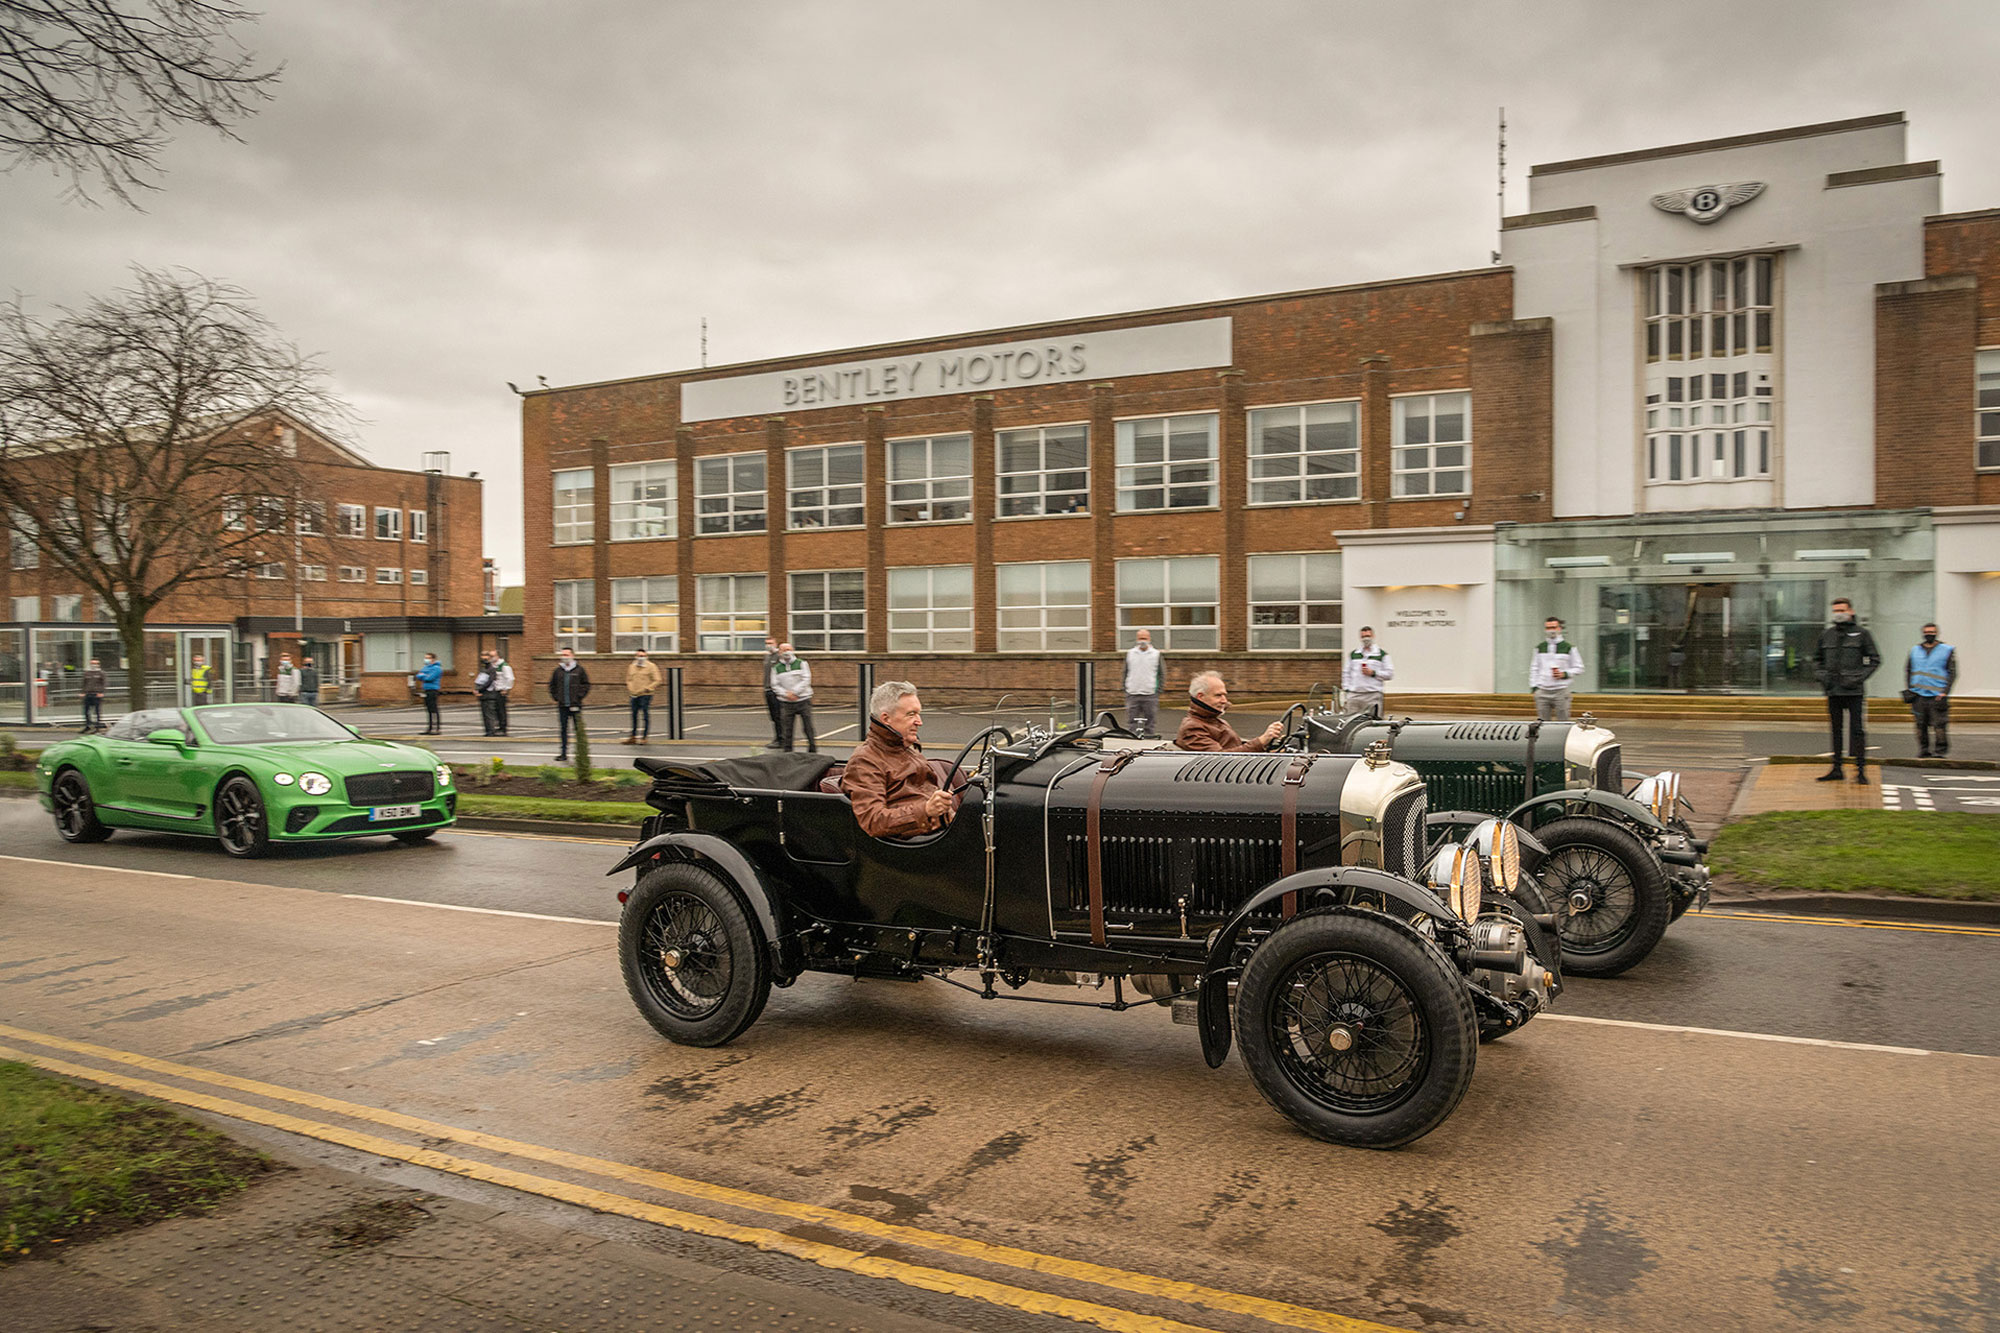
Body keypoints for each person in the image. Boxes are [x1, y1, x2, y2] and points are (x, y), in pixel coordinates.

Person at [842, 680, 953, 837]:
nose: (919, 722)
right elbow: (874, 821)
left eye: (918, 713)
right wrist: (926, 809)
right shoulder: (865, 761)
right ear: (886, 719)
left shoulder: (908, 749)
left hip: (942, 830)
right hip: (913, 844)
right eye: (911, 714)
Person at [1814, 595, 1881, 783]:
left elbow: (1875, 660)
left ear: (1851, 611)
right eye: (1836, 611)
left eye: (1842, 610)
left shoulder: (1862, 634)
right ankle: (1836, 768)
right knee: (1836, 730)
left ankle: (1860, 770)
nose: (1839, 614)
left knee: (1857, 731)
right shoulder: (1826, 635)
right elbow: (1817, 659)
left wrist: (1859, 677)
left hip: (1854, 692)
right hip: (1833, 691)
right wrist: (1821, 676)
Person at [1175, 672, 1286, 752]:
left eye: (1225, 695)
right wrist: (1261, 741)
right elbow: (1220, 759)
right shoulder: (1192, 728)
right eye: (1218, 695)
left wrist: (1269, 744)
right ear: (1201, 697)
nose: (1224, 700)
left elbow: (1236, 747)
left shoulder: (1216, 721)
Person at [1906, 622, 1957, 759]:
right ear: (1923, 633)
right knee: (1920, 726)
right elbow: (1909, 670)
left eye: (1932, 632)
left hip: (1937, 695)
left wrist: (1945, 691)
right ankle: (1923, 750)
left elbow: (1952, 672)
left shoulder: (1946, 650)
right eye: (1927, 632)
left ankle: (1940, 751)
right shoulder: (1915, 650)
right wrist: (1910, 689)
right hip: (1918, 695)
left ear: (1937, 633)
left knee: (1939, 725)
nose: (1929, 634)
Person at [1530, 617, 1584, 720]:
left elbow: (1579, 667)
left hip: (1561, 690)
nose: (1551, 630)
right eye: (1548, 628)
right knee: (1542, 723)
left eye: (1554, 627)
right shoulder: (1540, 647)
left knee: (1563, 721)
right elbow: (1534, 668)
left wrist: (1564, 674)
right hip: (1543, 690)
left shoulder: (1569, 647)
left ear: (1559, 628)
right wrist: (1534, 687)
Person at [549, 646, 591, 761]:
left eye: (567, 655)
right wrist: (556, 697)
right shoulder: (558, 671)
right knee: (563, 729)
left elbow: (586, 685)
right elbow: (552, 685)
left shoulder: (579, 670)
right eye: (563, 655)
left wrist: (579, 697)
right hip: (562, 705)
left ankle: (581, 753)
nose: (564, 657)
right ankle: (563, 753)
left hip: (575, 705)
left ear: (572, 656)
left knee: (578, 729)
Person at [772, 642, 816, 752]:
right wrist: (786, 694)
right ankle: (787, 751)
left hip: (803, 700)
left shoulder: (801, 663)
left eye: (788, 649)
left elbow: (806, 679)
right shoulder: (776, 668)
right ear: (779, 652)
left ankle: (812, 749)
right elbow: (775, 685)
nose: (786, 652)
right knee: (787, 729)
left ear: (793, 650)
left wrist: (795, 692)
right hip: (786, 702)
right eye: (784, 650)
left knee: (808, 727)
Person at [1341, 627, 1394, 718]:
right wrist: (1347, 689)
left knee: (1374, 721)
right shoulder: (1354, 654)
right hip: (1355, 694)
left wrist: (1373, 673)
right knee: (1350, 720)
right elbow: (1346, 673)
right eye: (1363, 636)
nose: (1366, 639)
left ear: (1373, 636)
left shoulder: (1381, 654)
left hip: (1373, 694)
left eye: (1368, 636)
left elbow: (1389, 674)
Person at [1122, 629, 1163, 738]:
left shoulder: (1156, 654)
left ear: (1149, 639)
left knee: (1150, 721)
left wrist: (1158, 690)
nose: (1142, 641)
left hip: (1150, 694)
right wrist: (1125, 687)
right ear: (1137, 639)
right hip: (1132, 693)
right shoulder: (1130, 654)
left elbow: (1161, 673)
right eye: (1140, 638)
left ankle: (1149, 741)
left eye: (1144, 638)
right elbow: (1125, 671)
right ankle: (1132, 739)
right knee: (1131, 721)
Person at [624, 648, 660, 744]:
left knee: (645, 715)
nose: (641, 658)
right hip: (634, 694)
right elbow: (628, 679)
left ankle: (644, 737)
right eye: (639, 656)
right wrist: (630, 688)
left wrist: (648, 688)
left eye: (643, 656)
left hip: (645, 694)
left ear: (646, 656)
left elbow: (657, 680)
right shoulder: (632, 666)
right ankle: (633, 736)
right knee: (634, 715)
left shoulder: (651, 666)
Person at [761, 636, 784, 748]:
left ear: (776, 644)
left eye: (770, 643)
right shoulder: (767, 657)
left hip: (775, 691)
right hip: (767, 689)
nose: (768, 645)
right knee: (773, 717)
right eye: (766, 643)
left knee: (779, 716)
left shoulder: (779, 657)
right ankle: (777, 738)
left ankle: (782, 739)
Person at [417, 652, 443, 734]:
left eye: (428, 658)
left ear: (433, 659)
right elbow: (418, 676)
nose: (426, 659)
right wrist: (424, 676)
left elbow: (430, 678)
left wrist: (423, 676)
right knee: (428, 710)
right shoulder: (426, 667)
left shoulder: (437, 668)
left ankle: (437, 728)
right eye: (426, 657)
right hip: (426, 690)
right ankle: (430, 728)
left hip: (433, 690)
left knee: (434, 709)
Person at [475, 651, 499, 736]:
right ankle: (487, 730)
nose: (484, 658)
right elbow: (479, 681)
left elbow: (489, 682)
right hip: (483, 695)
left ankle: (491, 731)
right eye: (482, 656)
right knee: (484, 714)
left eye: (486, 656)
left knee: (489, 714)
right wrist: (477, 690)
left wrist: (480, 690)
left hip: (489, 694)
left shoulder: (492, 669)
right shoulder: (483, 669)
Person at [79, 657, 105, 733]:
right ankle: (88, 726)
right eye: (93, 663)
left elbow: (104, 683)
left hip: (96, 694)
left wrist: (101, 692)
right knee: (86, 711)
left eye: (96, 664)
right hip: (88, 694)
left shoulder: (101, 673)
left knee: (97, 711)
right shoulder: (87, 673)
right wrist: (82, 692)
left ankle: (97, 727)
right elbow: (83, 683)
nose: (94, 665)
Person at [490, 652, 514, 734]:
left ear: (498, 656)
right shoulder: (493, 665)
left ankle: (503, 727)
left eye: (493, 656)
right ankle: (499, 726)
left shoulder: (504, 666)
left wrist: (506, 689)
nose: (491, 657)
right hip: (494, 690)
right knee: (495, 710)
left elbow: (510, 678)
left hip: (501, 691)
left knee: (501, 710)